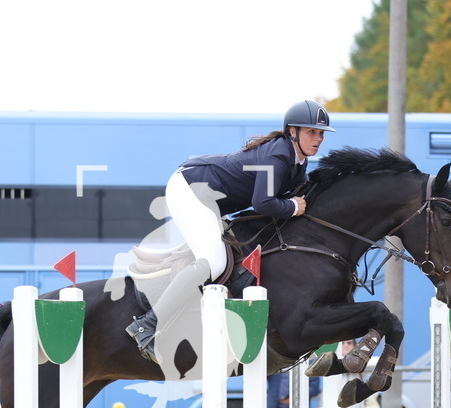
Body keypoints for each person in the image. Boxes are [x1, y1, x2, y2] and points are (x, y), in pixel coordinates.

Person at [126, 100, 335, 363]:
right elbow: (263, 203)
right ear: (293, 131)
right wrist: (292, 207)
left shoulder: (297, 160)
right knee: (214, 262)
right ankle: (147, 325)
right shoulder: (278, 155)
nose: (318, 139)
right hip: (190, 189)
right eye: (311, 132)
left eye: (321, 133)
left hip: (210, 199)